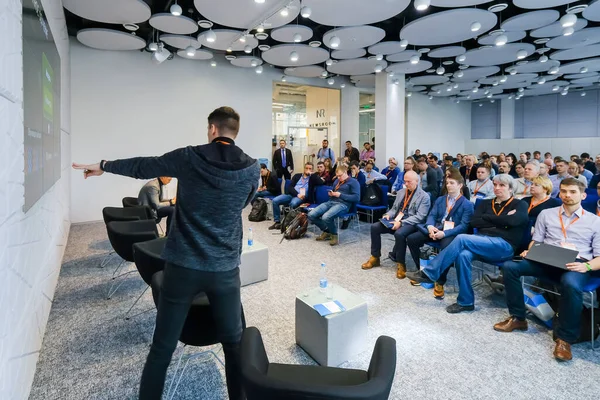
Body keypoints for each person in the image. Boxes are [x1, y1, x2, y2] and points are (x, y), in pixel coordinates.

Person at [73, 107, 258, 400]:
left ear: (212, 129)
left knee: (162, 348)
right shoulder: (251, 169)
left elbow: (144, 166)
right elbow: (244, 203)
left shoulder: (189, 157)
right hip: (224, 270)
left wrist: (104, 165)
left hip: (182, 266)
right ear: (235, 131)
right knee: (234, 346)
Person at [494, 178, 600, 362]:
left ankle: (565, 339)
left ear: (583, 195)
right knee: (511, 266)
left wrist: (587, 266)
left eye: (573, 192)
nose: (567, 195)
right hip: (547, 258)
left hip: (576, 263)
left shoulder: (595, 221)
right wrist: (531, 250)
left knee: (570, 283)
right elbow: (538, 240)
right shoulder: (547, 214)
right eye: (564, 191)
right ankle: (518, 318)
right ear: (559, 193)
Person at [407, 174, 529, 314]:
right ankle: (466, 302)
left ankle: (430, 273)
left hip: (503, 246)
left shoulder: (520, 204)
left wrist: (489, 220)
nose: (497, 188)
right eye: (495, 185)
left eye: (502, 185)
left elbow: (515, 221)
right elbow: (475, 222)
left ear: (511, 188)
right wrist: (503, 220)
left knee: (461, 238)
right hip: (480, 242)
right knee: (463, 255)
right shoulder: (486, 203)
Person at [406, 172, 474, 299]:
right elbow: (431, 215)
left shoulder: (467, 204)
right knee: (412, 239)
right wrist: (430, 226)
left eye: (452, 183)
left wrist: (444, 233)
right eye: (447, 183)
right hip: (436, 229)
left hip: (451, 233)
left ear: (460, 185)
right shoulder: (440, 199)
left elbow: (463, 226)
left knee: (446, 246)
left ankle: (440, 281)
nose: (448, 185)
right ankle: (422, 271)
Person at [361, 171, 430, 279]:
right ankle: (375, 257)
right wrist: (388, 215)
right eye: (405, 181)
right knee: (375, 227)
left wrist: (401, 223)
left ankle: (401, 263)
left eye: (409, 182)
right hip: (396, 219)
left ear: (417, 181)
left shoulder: (424, 196)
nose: (406, 184)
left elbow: (420, 217)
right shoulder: (401, 192)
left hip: (411, 223)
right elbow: (394, 209)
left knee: (399, 234)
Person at [308, 165, 360, 246]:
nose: (338, 178)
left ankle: (334, 234)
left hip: (343, 204)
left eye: (340, 176)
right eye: (337, 176)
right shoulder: (336, 181)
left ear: (345, 172)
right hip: (331, 202)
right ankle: (327, 230)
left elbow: (356, 198)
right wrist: (331, 194)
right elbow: (333, 192)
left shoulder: (354, 182)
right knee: (311, 215)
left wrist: (340, 195)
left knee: (326, 217)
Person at [269, 163, 313, 230]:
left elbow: (320, 182)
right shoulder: (297, 176)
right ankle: (277, 222)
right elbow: (290, 187)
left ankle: (288, 223)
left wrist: (312, 175)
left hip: (301, 198)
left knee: (293, 203)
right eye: (306, 168)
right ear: (304, 169)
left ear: (312, 170)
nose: (308, 170)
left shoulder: (312, 178)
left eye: (310, 169)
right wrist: (297, 194)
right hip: (292, 195)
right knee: (275, 201)